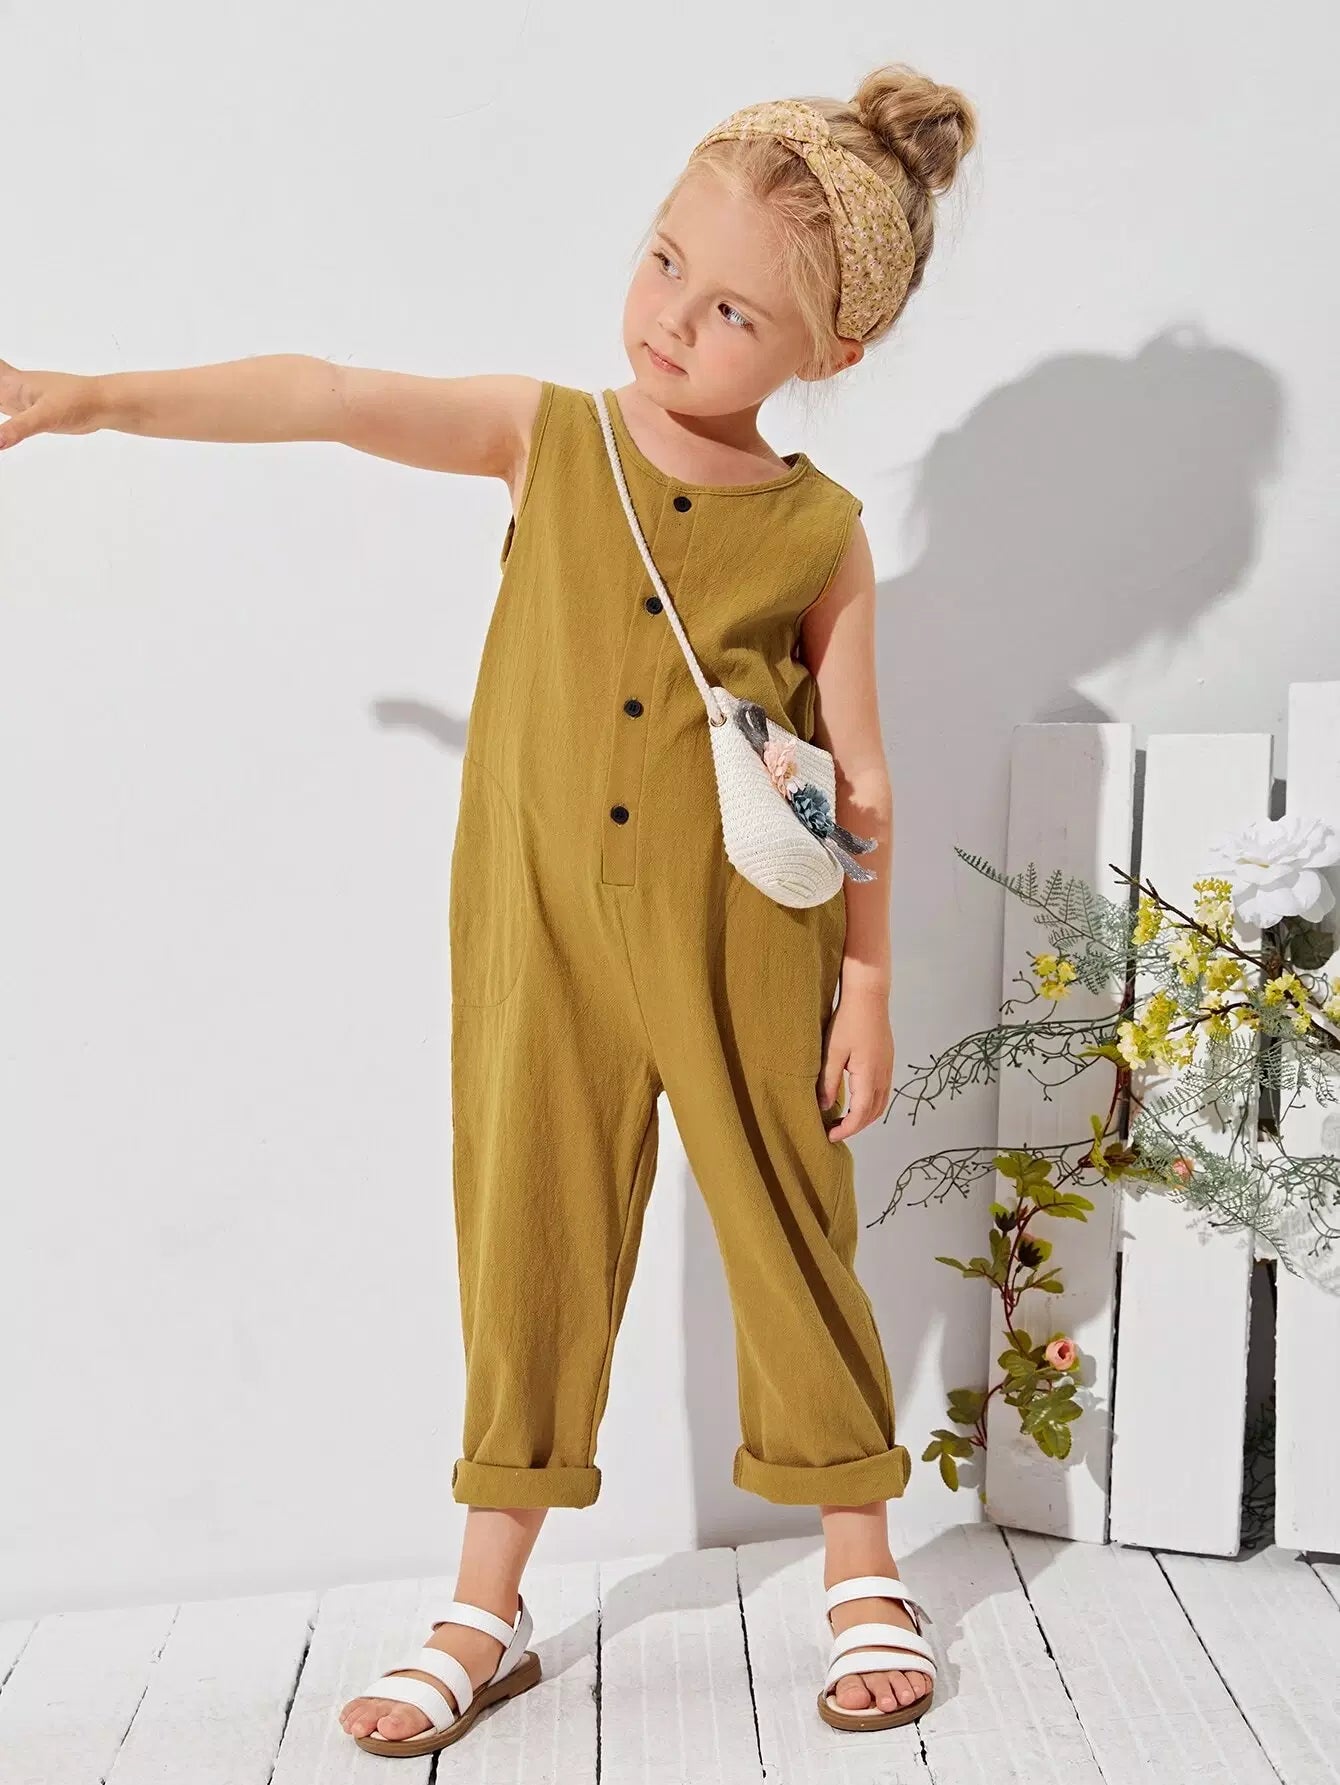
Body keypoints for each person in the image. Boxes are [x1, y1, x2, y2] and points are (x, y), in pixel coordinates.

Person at [0, 60, 977, 1755]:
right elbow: (326, 391)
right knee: (527, 1230)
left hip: (750, 946)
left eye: (733, 310)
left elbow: (863, 781)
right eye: (663, 259)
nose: (670, 318)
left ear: (833, 350)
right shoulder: (550, 437)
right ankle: (485, 1598)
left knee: (786, 1231)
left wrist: (872, 987)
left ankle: (859, 1564)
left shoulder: (820, 533)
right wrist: (88, 397)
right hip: (537, 934)